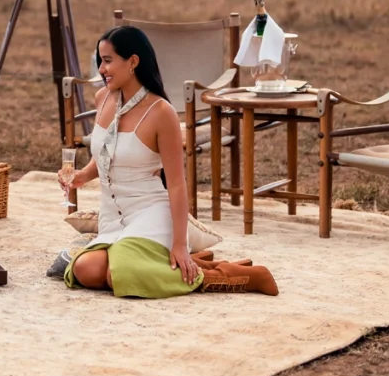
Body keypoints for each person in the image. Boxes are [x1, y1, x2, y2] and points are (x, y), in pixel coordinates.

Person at [61, 26, 279, 298]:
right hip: (113, 218)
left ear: (133, 62)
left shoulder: (161, 113)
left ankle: (239, 277)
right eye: (100, 60)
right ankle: (198, 263)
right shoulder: (103, 98)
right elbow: (106, 153)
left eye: (107, 61)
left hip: (151, 214)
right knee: (86, 270)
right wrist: (83, 175)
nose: (101, 69)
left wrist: (179, 244)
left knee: (118, 274)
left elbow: (176, 184)